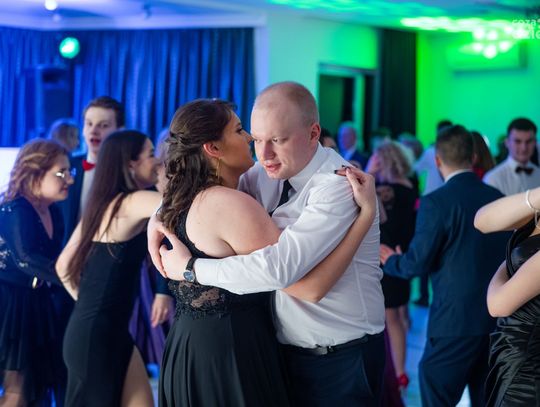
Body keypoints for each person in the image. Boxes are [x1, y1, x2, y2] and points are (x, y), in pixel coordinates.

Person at [150, 83, 386, 406]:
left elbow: (280, 270)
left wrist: (191, 269)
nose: (264, 154)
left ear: (314, 133)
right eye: (257, 139)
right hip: (281, 352)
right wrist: (158, 216)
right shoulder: (262, 174)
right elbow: (202, 193)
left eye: (277, 140)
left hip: (340, 357)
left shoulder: (338, 186)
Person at [380, 125, 509, 407]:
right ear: (473, 157)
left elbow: (417, 263)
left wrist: (391, 261)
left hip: (453, 324)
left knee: (436, 395)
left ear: (438, 160)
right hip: (495, 322)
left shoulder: (436, 202)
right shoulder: (498, 197)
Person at [56, 130, 161, 406]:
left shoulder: (104, 204)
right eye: (152, 154)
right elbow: (185, 207)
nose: (158, 161)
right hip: (96, 338)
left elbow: (63, 266)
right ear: (131, 163)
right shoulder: (130, 202)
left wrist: (88, 306)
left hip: (106, 330)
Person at [0, 139, 74, 406]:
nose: (69, 180)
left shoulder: (54, 210)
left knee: (35, 390)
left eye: (69, 172)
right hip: (10, 305)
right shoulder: (15, 209)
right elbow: (27, 259)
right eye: (61, 173)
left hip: (37, 303)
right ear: (35, 173)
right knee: (16, 390)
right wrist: (74, 279)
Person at [474, 187, 540, 406]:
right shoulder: (536, 212)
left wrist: (504, 267)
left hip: (527, 368)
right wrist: (537, 196)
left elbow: (498, 305)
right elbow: (482, 221)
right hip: (510, 355)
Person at [366, 140, 417, 389]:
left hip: (386, 256)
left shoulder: (386, 191)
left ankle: (395, 373)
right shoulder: (410, 187)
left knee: (390, 318)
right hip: (403, 255)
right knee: (399, 316)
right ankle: (400, 373)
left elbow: (378, 221)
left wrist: (368, 173)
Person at [483, 118, 540, 196]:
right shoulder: (493, 178)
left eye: (528, 141)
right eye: (518, 141)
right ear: (507, 142)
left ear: (535, 143)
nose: (524, 148)